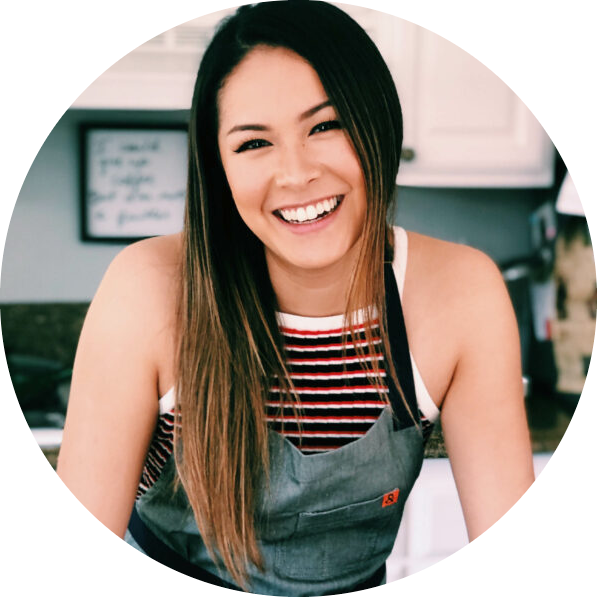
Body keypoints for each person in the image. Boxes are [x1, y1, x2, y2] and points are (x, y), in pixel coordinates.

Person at [56, 1, 536, 594]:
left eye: (325, 126)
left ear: (379, 123)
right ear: (218, 168)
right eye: (254, 143)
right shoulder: (147, 291)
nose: (295, 173)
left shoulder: (461, 294)